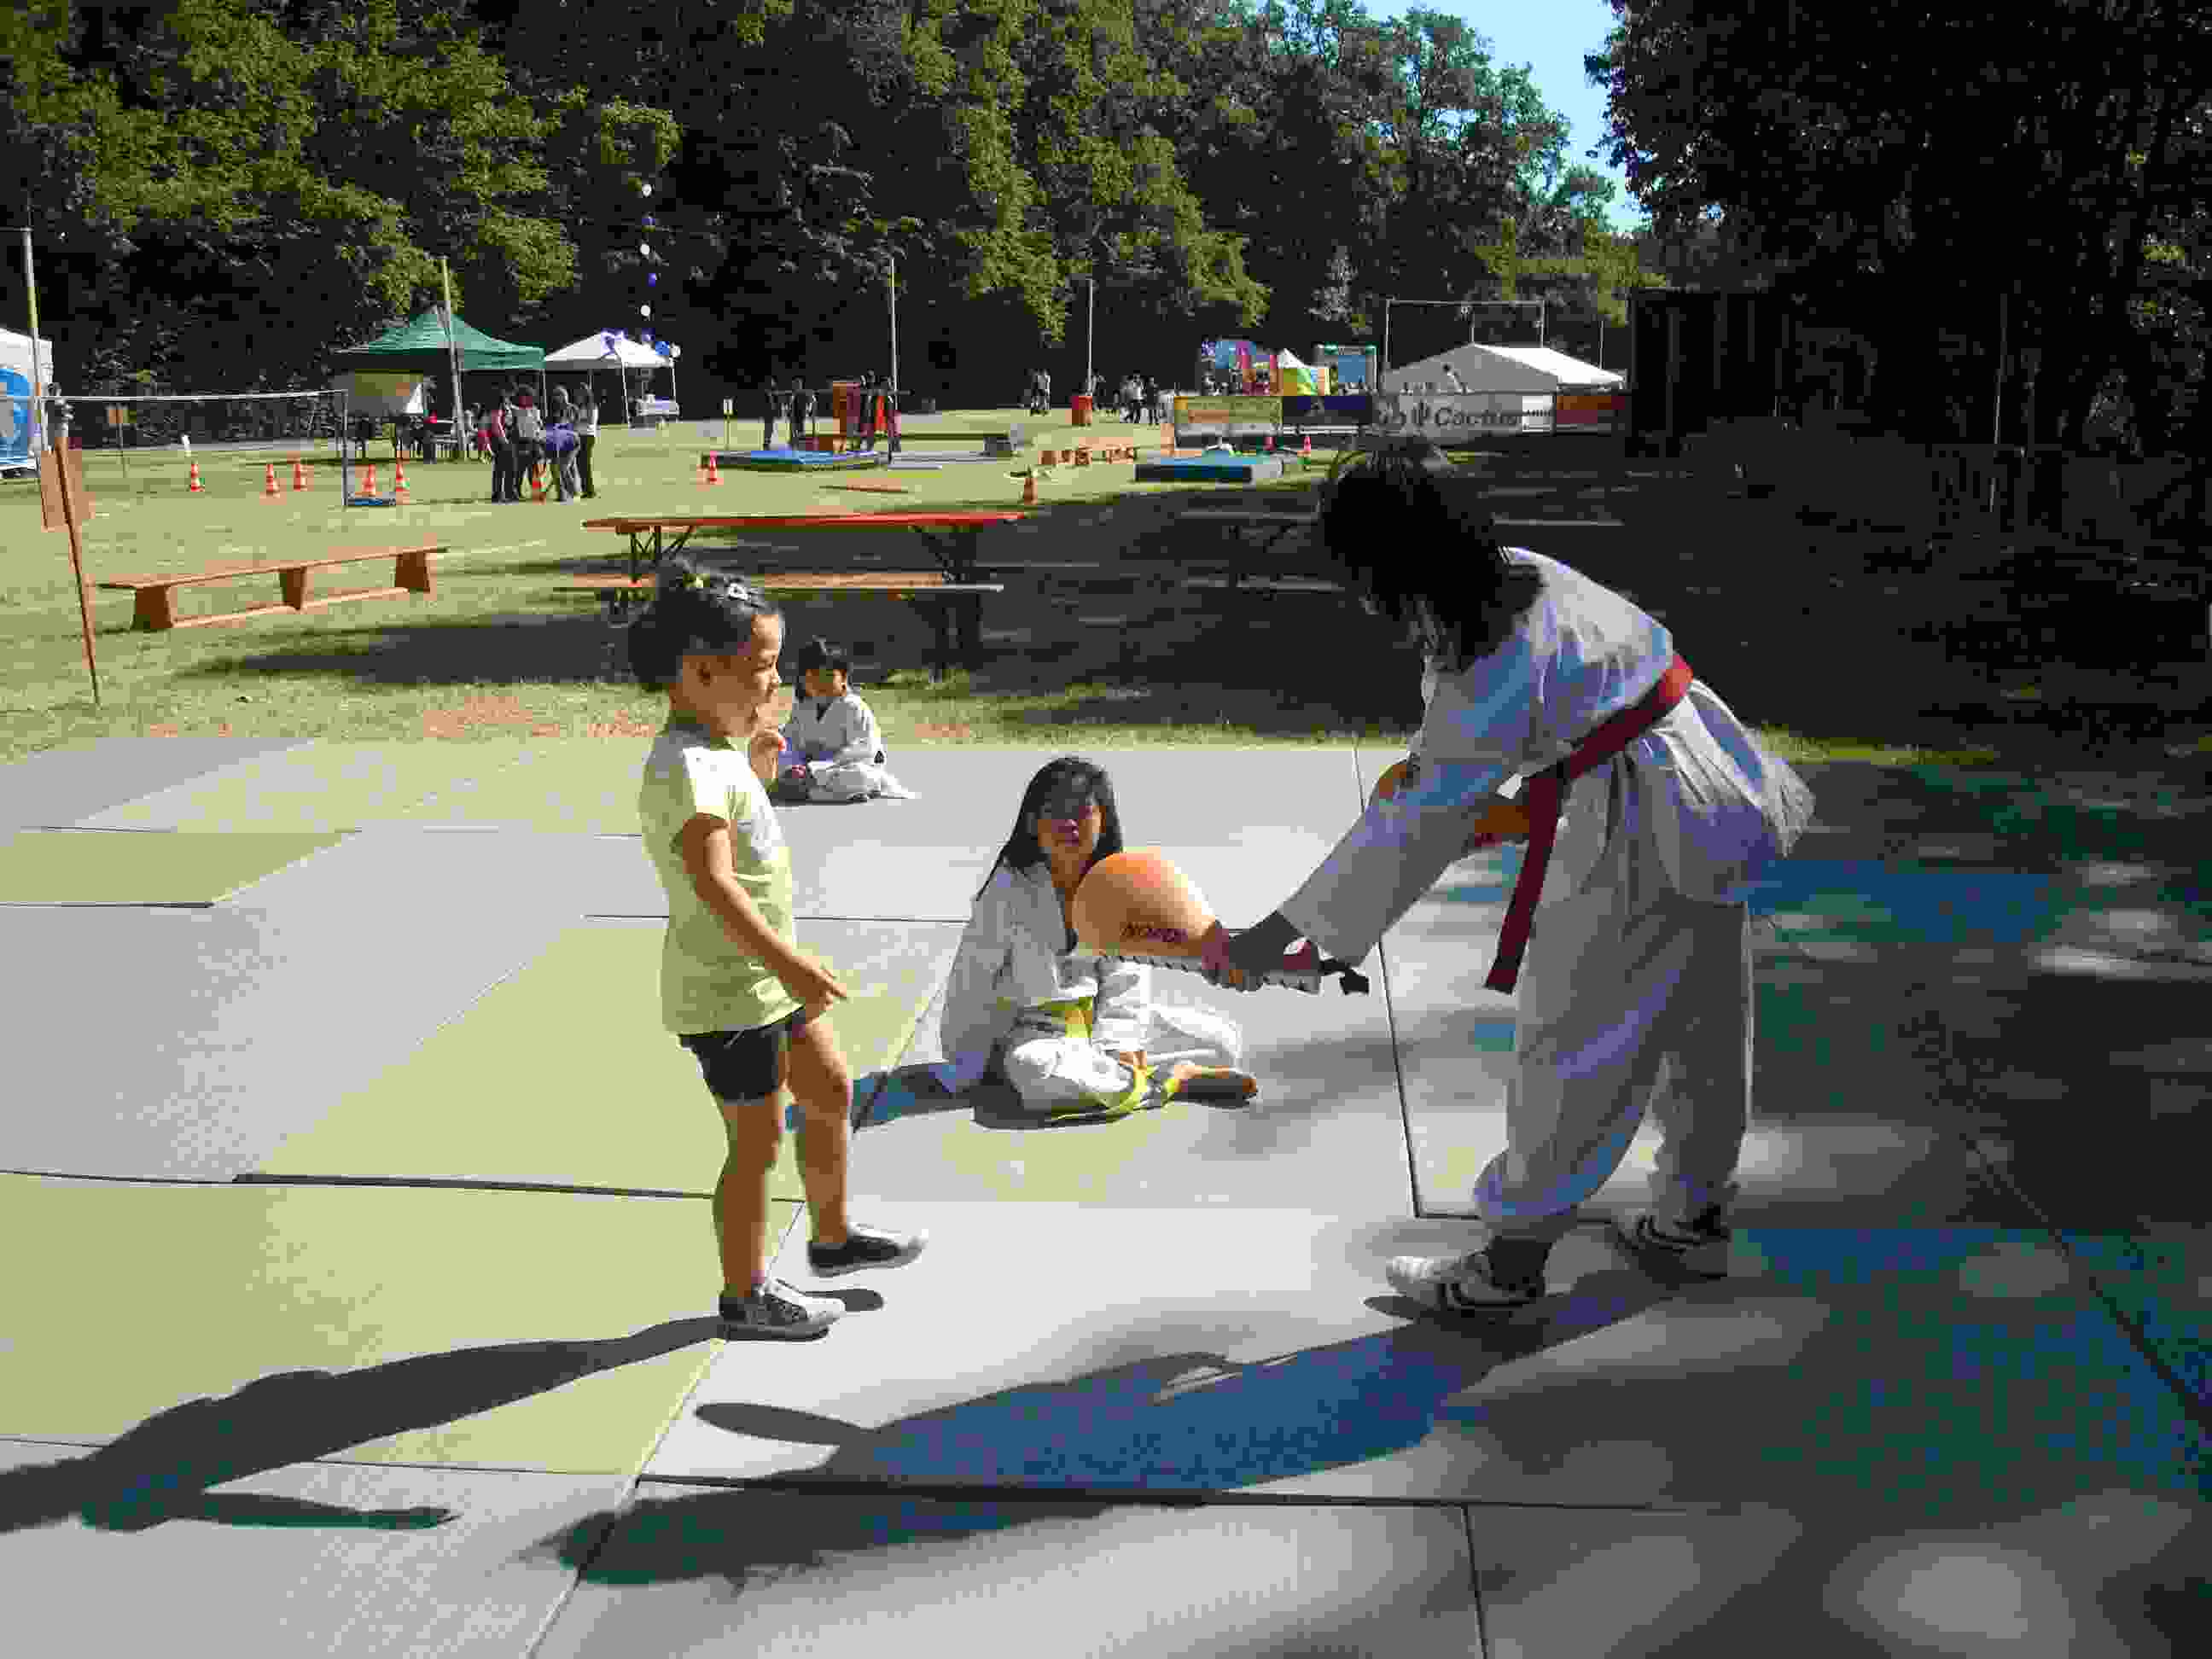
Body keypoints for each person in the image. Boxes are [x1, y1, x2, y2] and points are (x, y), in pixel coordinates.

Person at [1198, 438, 1816, 1313]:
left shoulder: (1484, 667)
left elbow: (1411, 829)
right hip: (1704, 784)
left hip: (1636, 823)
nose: (1366, 598)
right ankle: (1693, 1216)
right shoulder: (1527, 576)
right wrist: (1492, 806)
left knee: (1576, 1040)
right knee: (1704, 1019)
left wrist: (1278, 937)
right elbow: (1559, 729)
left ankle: (1510, 1267)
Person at [630, 556, 923, 1337]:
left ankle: (831, 1239)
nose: (775, 684)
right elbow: (713, 883)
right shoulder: (687, 769)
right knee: (755, 1145)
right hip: (729, 993)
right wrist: (789, 961)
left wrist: (757, 770)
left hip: (764, 982)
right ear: (699, 672)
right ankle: (746, 1294)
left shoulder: (716, 750)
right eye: (761, 667)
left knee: (828, 1090)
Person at [938, 756, 1258, 1123]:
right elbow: (971, 980)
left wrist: (1120, 1042)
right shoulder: (1007, 888)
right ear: (1032, 822)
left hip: (1100, 1024)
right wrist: (968, 1064)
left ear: (1104, 820)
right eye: (1054, 811)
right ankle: (1172, 1082)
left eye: (1081, 811)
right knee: (1035, 1073)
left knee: (1223, 1043)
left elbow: (1126, 977)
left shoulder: (1117, 885)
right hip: (1035, 1036)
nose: (1069, 823)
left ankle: (1117, 1076)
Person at [772, 637, 917, 804]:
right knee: (772, 746)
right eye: (813, 675)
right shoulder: (803, 706)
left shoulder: (854, 707)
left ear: (844, 677)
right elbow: (791, 740)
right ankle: (813, 790)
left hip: (839, 771)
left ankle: (810, 793)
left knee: (860, 776)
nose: (820, 682)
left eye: (828, 676)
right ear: (802, 678)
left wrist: (814, 770)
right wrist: (793, 766)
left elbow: (865, 752)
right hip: (805, 771)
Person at [543, 388, 582, 502]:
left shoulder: (572, 409)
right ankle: (561, 494)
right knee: (555, 467)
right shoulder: (556, 410)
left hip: (571, 442)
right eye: (557, 396)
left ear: (565, 395)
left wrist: (562, 427)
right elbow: (551, 425)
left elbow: (573, 425)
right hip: (559, 443)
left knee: (567, 468)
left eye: (561, 395)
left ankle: (574, 494)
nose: (559, 398)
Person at [510, 389, 545, 498]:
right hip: (522, 442)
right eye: (522, 397)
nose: (524, 399)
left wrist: (540, 430)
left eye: (527, 397)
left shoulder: (535, 410)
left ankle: (537, 492)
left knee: (534, 470)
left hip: (534, 442)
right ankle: (516, 492)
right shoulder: (516, 411)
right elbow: (510, 422)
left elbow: (539, 425)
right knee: (520, 470)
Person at [480, 397, 515, 503]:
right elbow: (496, 426)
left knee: (500, 469)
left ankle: (498, 494)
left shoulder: (487, 412)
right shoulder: (496, 412)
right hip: (500, 442)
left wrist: (487, 446)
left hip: (497, 441)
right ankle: (506, 494)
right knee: (508, 468)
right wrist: (504, 441)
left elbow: (483, 430)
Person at [574, 383, 599, 498]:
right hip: (579, 436)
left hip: (588, 436)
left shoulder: (591, 405)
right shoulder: (579, 407)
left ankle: (590, 491)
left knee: (585, 464)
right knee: (580, 465)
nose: (578, 396)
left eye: (581, 393)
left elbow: (590, 420)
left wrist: (577, 421)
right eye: (578, 394)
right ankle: (585, 490)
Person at [789, 376, 812, 443]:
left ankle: (800, 439)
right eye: (796, 384)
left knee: (800, 429)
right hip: (794, 414)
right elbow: (790, 404)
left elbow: (810, 401)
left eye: (799, 384)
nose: (797, 386)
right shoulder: (793, 394)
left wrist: (809, 409)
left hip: (801, 414)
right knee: (794, 429)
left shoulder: (804, 393)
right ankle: (794, 440)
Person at [761, 380, 781, 451]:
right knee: (768, 427)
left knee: (770, 428)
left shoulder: (774, 392)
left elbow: (775, 403)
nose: (773, 383)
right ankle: (766, 442)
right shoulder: (766, 392)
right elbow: (767, 403)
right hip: (767, 413)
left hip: (771, 413)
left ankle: (767, 441)